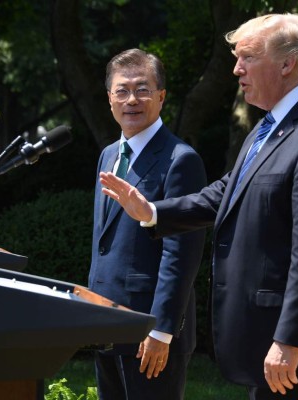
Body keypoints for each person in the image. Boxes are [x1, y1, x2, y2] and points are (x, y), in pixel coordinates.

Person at [99, 14, 298, 400]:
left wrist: (289, 340)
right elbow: (229, 191)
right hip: (267, 337)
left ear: (286, 63)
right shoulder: (272, 125)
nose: (236, 69)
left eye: (246, 57)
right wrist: (154, 213)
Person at [89, 48, 206, 399]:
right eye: (121, 91)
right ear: (109, 98)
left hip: (148, 331)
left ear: (161, 97)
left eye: (142, 89)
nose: (131, 100)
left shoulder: (180, 160)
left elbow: (182, 253)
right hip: (104, 320)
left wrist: (162, 331)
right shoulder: (109, 154)